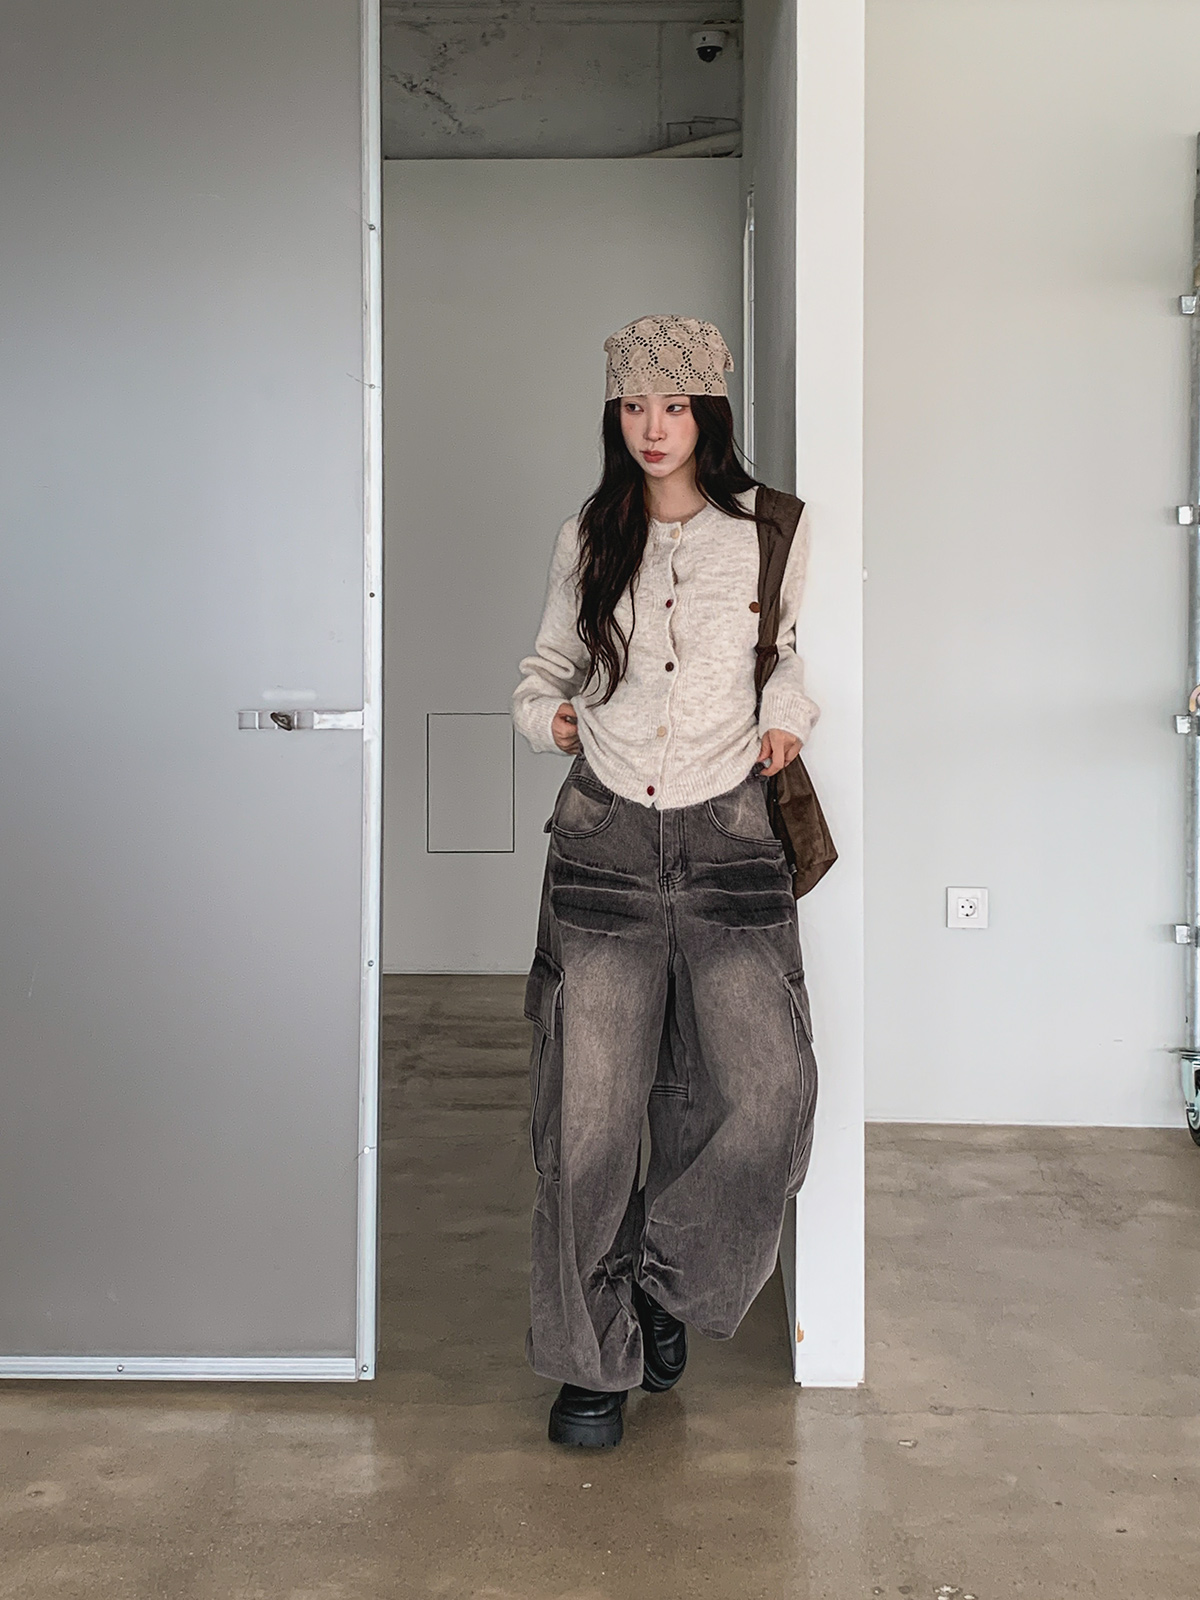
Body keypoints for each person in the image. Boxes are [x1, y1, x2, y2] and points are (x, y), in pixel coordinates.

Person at [511, 313, 819, 1449]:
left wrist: (786, 714)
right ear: (615, 413)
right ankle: (589, 1365)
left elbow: (786, 654)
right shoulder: (588, 534)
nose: (653, 427)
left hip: (731, 832)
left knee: (767, 1094)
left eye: (675, 406)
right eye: (635, 406)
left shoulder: (772, 529)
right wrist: (544, 716)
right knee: (587, 1122)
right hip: (604, 841)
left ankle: (662, 1282)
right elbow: (546, 666)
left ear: (709, 414)